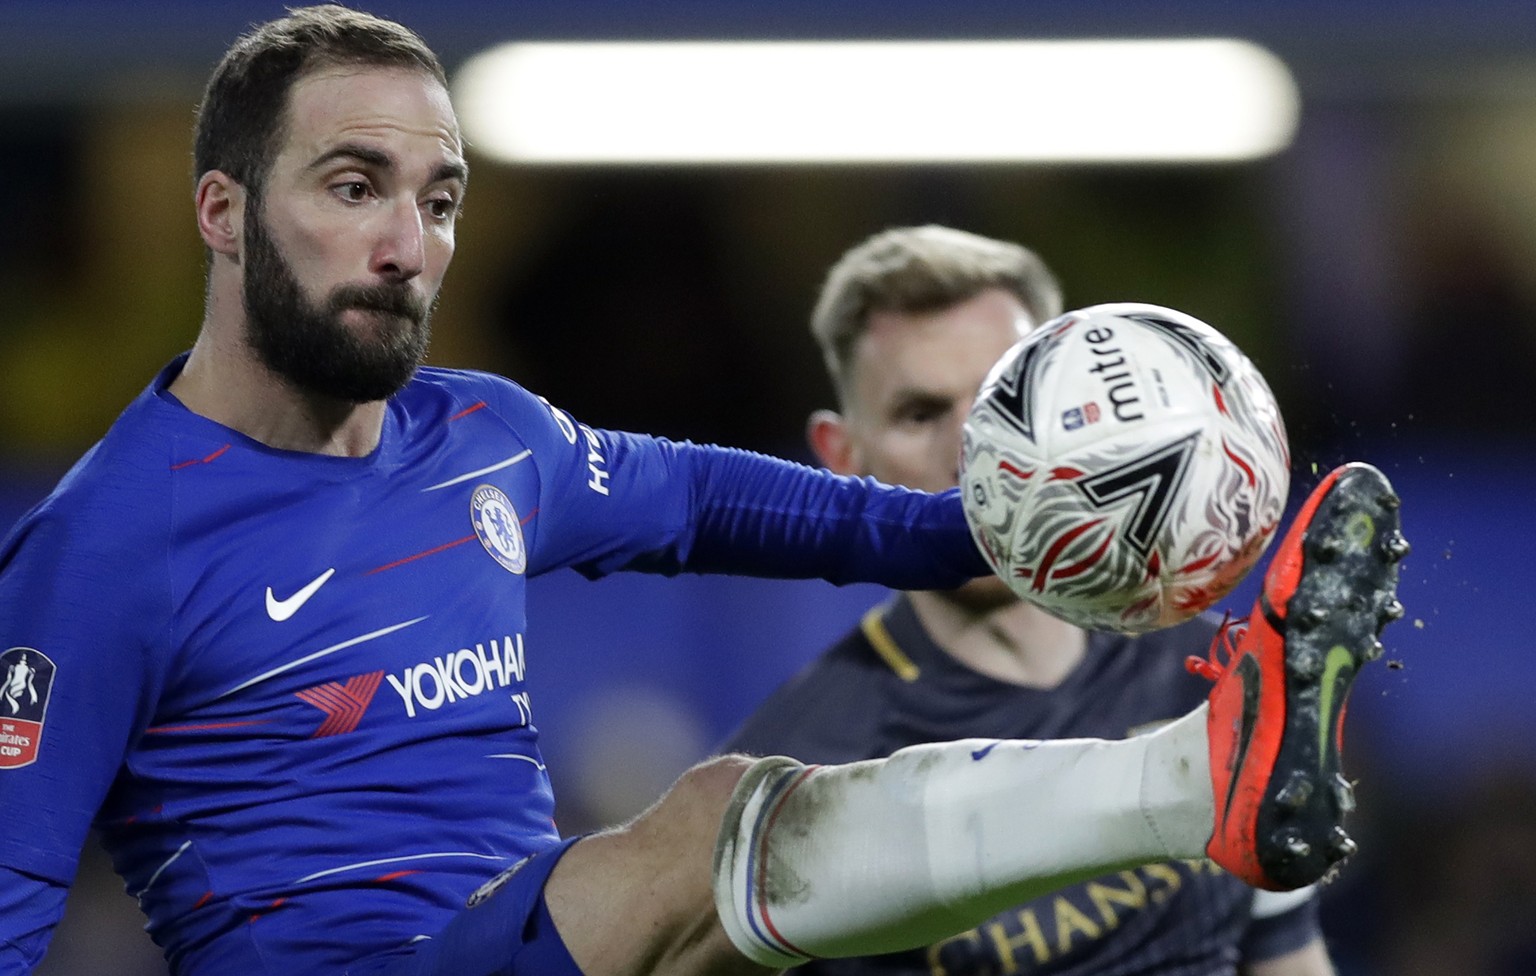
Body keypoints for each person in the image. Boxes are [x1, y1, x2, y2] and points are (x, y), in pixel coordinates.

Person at [0, 7, 1408, 976]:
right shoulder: (104, 546)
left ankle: (1213, 773)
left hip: (529, 937)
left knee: (779, 903)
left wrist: (1008, 531)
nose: (404, 245)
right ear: (223, 209)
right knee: (704, 829)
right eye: (354, 186)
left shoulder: (485, 441)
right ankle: (1197, 775)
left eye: (437, 200)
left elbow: (730, 510)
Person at [723, 225, 1339, 976]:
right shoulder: (801, 776)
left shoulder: (1213, 673)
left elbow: (1288, 960)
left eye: (999, 403)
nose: (971, 454)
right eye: (920, 414)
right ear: (843, 460)